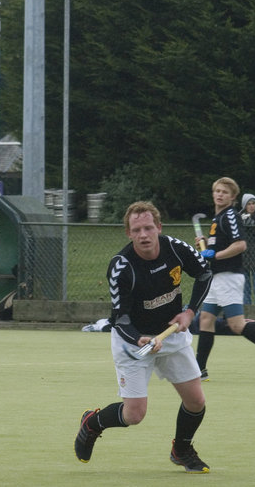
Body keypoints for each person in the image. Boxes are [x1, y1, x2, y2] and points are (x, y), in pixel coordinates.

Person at [74, 201, 214, 473]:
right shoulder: (121, 267)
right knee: (134, 415)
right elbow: (120, 318)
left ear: (158, 228)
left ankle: (182, 449)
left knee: (196, 401)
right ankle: (92, 423)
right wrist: (140, 339)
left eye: (149, 228)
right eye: (136, 230)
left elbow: (204, 273)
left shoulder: (175, 248)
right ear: (128, 233)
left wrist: (190, 312)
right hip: (133, 343)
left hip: (171, 336)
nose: (144, 235)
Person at [194, 177, 255, 381]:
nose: (220, 194)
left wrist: (215, 255)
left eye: (224, 192)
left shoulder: (230, 215)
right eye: (217, 191)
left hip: (229, 277)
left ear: (232, 197)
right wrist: (206, 245)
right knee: (205, 319)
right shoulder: (217, 218)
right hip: (216, 277)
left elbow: (240, 245)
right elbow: (219, 246)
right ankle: (199, 370)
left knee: (237, 325)